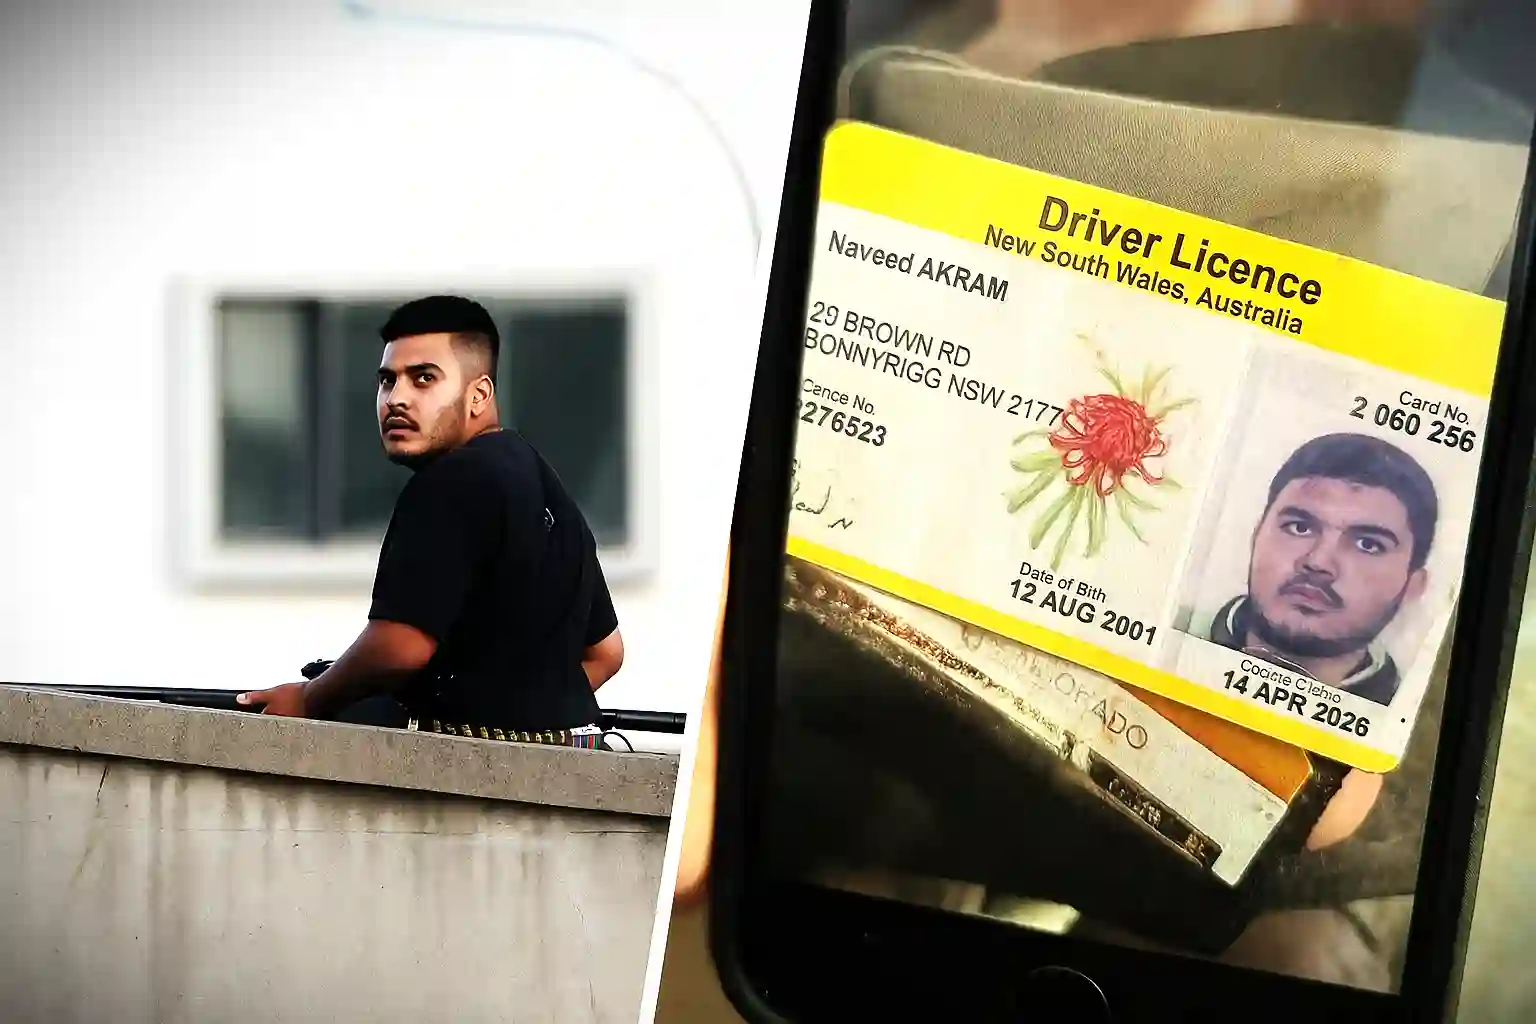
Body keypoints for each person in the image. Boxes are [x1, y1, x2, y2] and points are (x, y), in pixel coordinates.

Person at [237, 295, 625, 743]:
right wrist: (528, 716)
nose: (396, 398)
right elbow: (605, 653)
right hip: (578, 760)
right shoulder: (543, 482)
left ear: (479, 394)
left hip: (471, 791)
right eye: (387, 381)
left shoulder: (452, 479)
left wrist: (310, 698)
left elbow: (400, 647)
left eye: (423, 379)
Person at [1189, 432, 1438, 707]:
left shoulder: (1410, 723)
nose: (1319, 562)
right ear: (1257, 535)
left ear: (1413, 585)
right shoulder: (1171, 636)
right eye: (1300, 527)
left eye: (1368, 544)